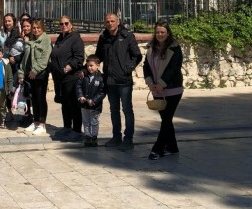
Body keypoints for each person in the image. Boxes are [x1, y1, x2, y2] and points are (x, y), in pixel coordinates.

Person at [95, 12, 142, 151]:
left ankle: (128, 138)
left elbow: (137, 55)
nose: (110, 23)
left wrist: (128, 68)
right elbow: (98, 57)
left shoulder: (127, 36)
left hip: (124, 80)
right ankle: (116, 136)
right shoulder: (103, 38)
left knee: (127, 109)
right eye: (107, 21)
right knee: (113, 110)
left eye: (112, 21)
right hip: (110, 80)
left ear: (118, 22)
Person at [143, 21, 184, 160]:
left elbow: (174, 68)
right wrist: (150, 82)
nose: (160, 34)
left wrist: (162, 83)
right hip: (156, 89)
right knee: (166, 119)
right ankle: (172, 147)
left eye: (163, 32)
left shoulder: (175, 48)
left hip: (172, 89)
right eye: (158, 32)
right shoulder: (150, 47)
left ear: (168, 33)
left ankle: (157, 149)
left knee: (166, 119)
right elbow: (146, 66)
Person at [49, 16, 86, 141]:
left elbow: (79, 57)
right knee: (65, 104)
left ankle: (76, 130)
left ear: (71, 25)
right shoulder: (61, 38)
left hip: (71, 77)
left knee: (73, 104)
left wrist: (70, 66)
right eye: (61, 24)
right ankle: (67, 127)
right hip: (60, 78)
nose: (63, 25)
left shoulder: (76, 39)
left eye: (66, 23)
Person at [22, 18, 52, 136]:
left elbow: (44, 58)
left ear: (42, 28)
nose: (35, 30)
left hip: (40, 74)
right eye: (34, 28)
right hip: (31, 74)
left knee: (40, 99)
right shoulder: (32, 39)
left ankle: (42, 124)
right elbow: (26, 58)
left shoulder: (45, 39)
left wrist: (35, 70)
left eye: (38, 28)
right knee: (34, 99)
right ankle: (35, 122)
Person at [76, 55, 106, 147]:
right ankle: (87, 136)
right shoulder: (83, 76)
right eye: (88, 65)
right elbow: (78, 86)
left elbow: (102, 92)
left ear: (98, 65)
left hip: (95, 105)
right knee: (86, 121)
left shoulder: (101, 78)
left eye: (91, 65)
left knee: (94, 121)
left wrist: (94, 100)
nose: (89, 68)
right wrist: (80, 96)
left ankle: (94, 137)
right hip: (84, 104)